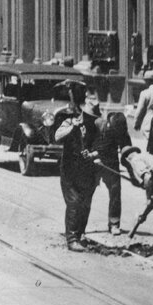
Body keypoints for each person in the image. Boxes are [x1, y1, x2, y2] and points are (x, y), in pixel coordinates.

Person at [55, 96, 101, 249]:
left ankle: (80, 234)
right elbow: (57, 136)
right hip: (70, 170)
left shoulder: (96, 128)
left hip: (88, 171)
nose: (89, 120)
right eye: (87, 117)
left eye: (92, 118)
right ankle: (71, 238)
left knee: (85, 204)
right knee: (74, 202)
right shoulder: (70, 122)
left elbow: (102, 148)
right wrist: (72, 129)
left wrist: (93, 154)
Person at [94, 110, 130, 237]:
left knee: (115, 192)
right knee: (85, 192)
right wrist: (93, 157)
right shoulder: (98, 126)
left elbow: (126, 149)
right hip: (95, 162)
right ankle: (79, 225)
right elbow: (86, 144)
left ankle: (114, 223)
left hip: (112, 163)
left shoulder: (121, 129)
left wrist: (132, 168)